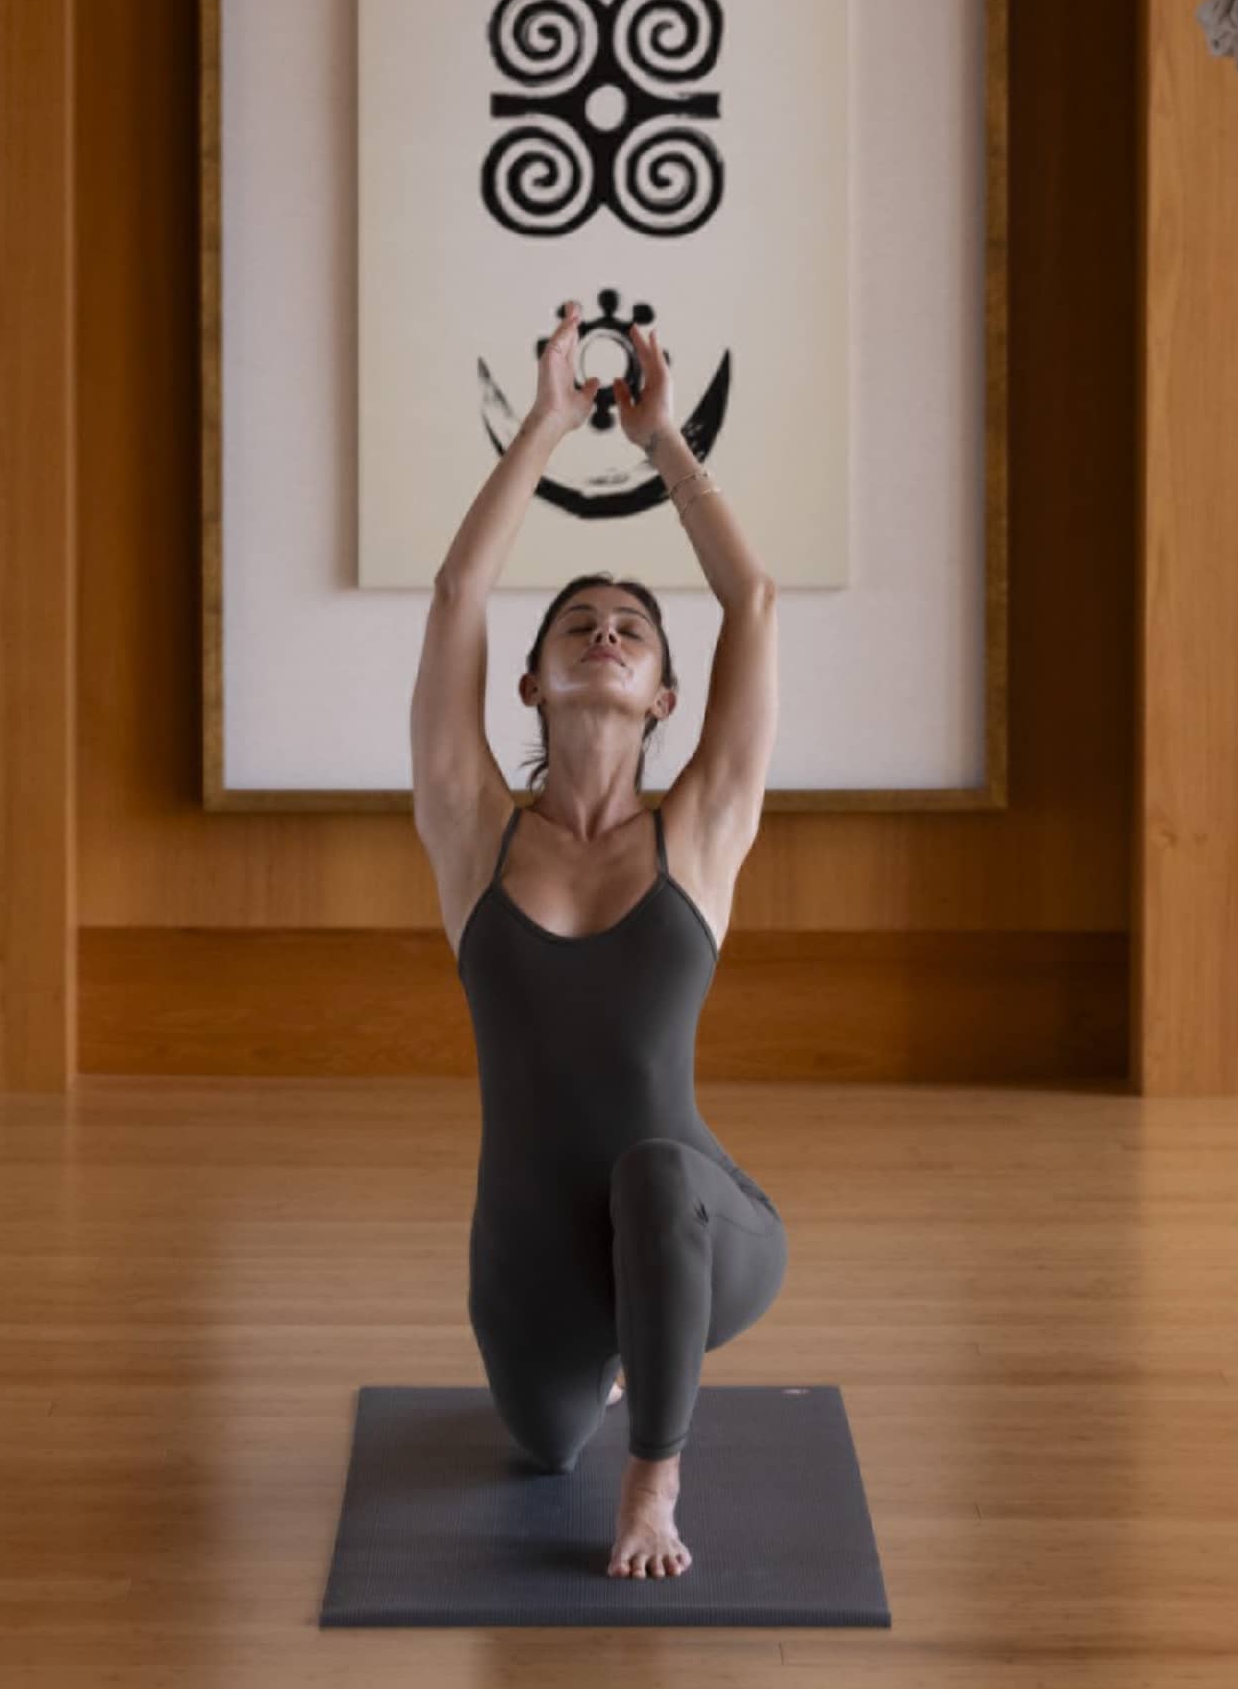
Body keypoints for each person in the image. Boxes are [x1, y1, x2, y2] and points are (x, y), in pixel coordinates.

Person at [409, 301, 786, 1582]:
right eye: (579, 619)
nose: (608, 627)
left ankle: (655, 1483)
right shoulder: (474, 833)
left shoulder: (704, 835)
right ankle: (610, 1359)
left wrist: (664, 441)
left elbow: (752, 597)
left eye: (633, 625)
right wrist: (547, 427)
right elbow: (462, 589)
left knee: (654, 1174)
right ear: (531, 681)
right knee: (536, 1445)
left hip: (693, 1218)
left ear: (665, 695)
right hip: (530, 1272)